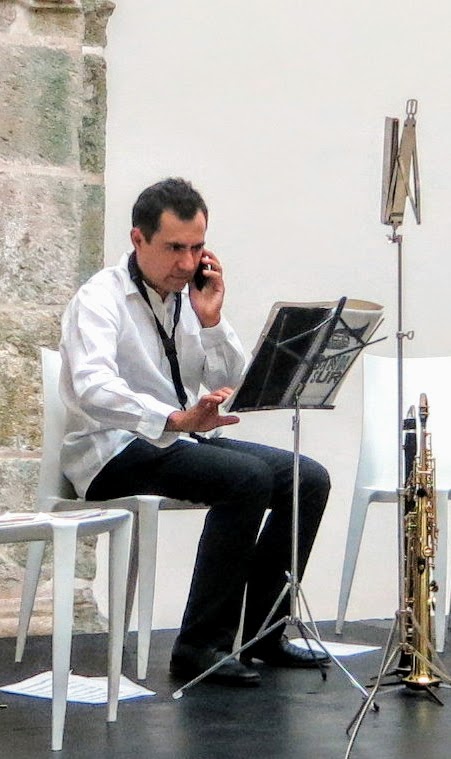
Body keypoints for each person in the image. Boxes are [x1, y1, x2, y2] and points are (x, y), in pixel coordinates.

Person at [59, 177, 331, 687]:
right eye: (174, 248)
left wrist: (211, 321)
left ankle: (263, 632)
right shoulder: (99, 298)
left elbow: (231, 379)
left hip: (177, 441)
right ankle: (198, 646)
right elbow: (93, 386)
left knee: (307, 478)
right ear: (138, 239)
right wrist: (172, 419)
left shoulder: (189, 300)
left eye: (197, 247)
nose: (187, 263)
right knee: (246, 479)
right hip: (110, 451)